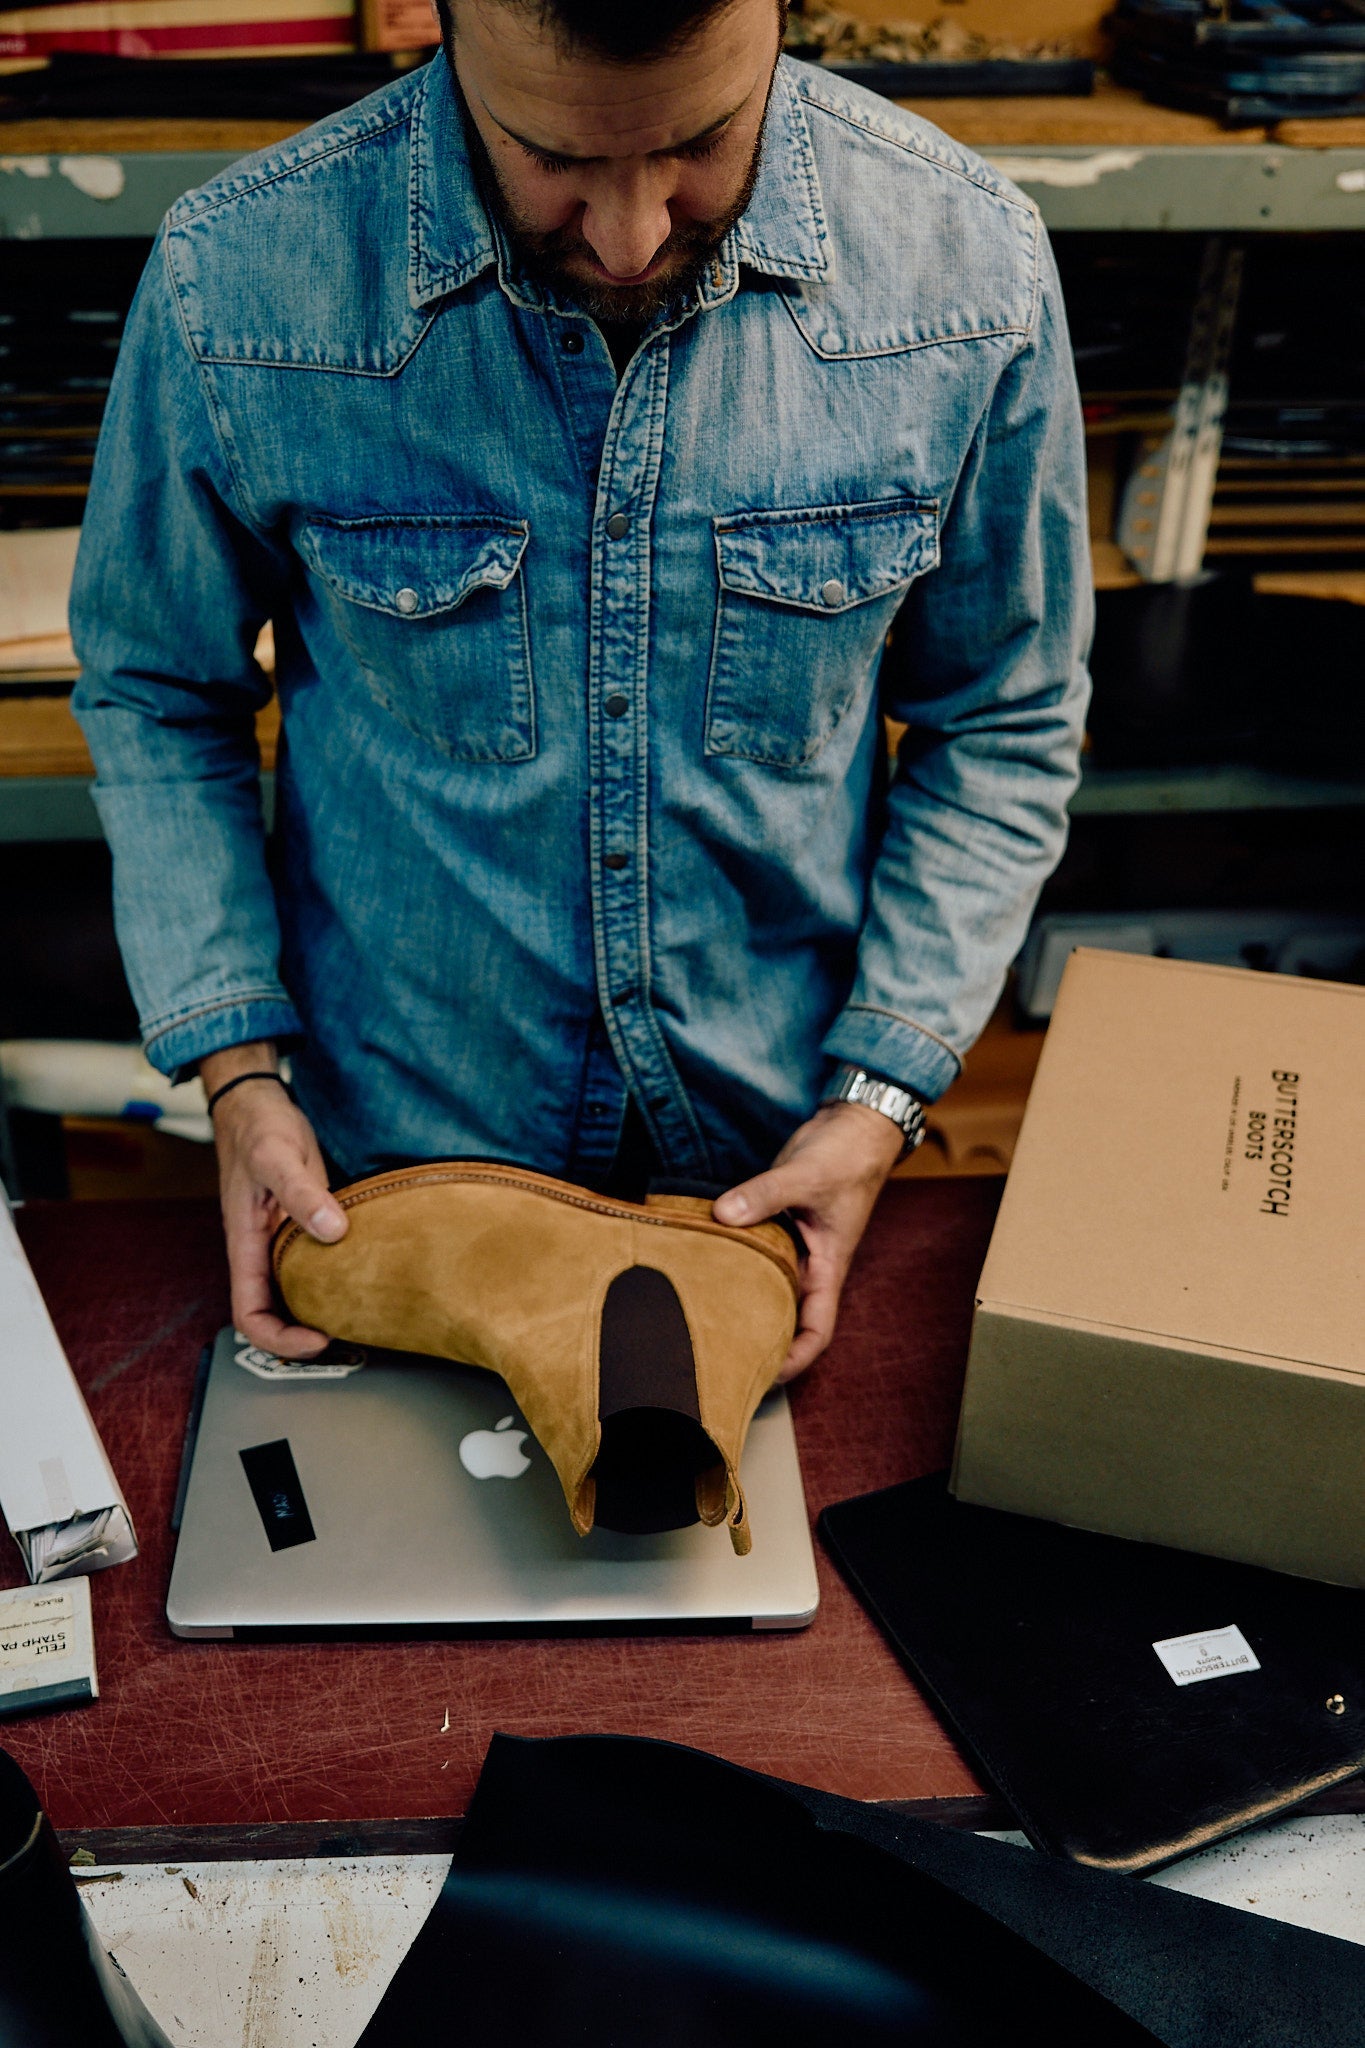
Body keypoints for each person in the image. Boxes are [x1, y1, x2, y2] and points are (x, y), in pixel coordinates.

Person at [71, 0, 1091, 1380]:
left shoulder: (966, 267)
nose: (629, 233)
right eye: (550, 156)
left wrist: (878, 1096)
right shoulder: (236, 275)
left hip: (779, 1168)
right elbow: (155, 689)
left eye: (698, 146)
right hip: (397, 1177)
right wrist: (237, 1071)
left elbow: (1005, 719)